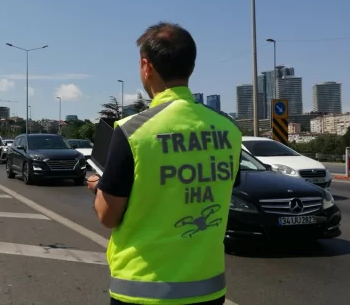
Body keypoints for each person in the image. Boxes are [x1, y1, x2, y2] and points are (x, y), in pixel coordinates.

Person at [87, 22, 243, 305]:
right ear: (190, 67)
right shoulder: (228, 130)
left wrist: (98, 187)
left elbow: (108, 216)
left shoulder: (132, 131)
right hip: (208, 290)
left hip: (142, 290)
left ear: (146, 66)